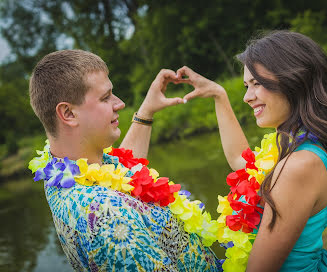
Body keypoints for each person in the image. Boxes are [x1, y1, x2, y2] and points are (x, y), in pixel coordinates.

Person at [175, 30, 327, 271]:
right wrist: (218, 94)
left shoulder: (299, 164)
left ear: (293, 81)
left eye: (257, 84)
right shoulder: (294, 147)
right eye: (246, 85)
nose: (246, 97)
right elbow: (240, 160)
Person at [28, 49, 221, 272]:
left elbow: (123, 176)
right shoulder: (109, 216)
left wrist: (146, 110)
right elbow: (116, 203)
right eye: (105, 97)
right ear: (68, 113)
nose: (119, 103)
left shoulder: (63, 169)